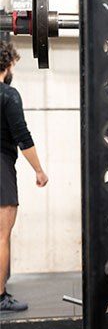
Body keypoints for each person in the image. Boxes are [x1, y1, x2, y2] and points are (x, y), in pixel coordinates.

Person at [0, 41, 49, 312]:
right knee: (1, 236)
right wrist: (39, 171)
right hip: (1, 166)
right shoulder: (9, 94)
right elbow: (23, 137)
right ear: (7, 66)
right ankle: (0, 297)